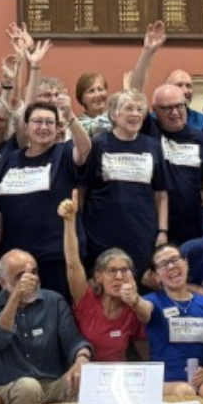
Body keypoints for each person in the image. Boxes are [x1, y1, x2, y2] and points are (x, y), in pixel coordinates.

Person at [0, 98, 90, 303]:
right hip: (16, 259)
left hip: (57, 256)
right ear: (26, 127)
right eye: (37, 121)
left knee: (58, 313)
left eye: (49, 122)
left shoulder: (64, 152)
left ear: (57, 128)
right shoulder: (10, 158)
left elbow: (84, 149)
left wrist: (70, 117)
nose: (43, 127)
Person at [0, 248, 93, 404]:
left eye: (34, 272)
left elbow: (74, 341)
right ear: (3, 282)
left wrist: (82, 358)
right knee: (29, 387)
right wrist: (16, 296)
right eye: (20, 276)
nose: (31, 280)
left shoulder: (54, 301)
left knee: (83, 381)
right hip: (11, 386)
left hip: (52, 384)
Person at [131, 243, 203, 404]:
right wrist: (135, 300)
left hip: (201, 376)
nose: (171, 266)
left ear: (185, 263)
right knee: (184, 391)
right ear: (156, 275)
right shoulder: (153, 300)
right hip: (165, 381)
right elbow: (143, 311)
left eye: (175, 260)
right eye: (163, 264)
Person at [83, 88, 168, 276]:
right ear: (114, 114)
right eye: (129, 108)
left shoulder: (153, 146)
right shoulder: (98, 144)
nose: (135, 114)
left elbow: (161, 193)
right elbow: (83, 188)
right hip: (101, 233)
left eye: (139, 109)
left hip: (141, 233)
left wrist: (162, 231)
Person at [58, 194, 144, 362]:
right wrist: (69, 221)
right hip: (85, 372)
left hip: (119, 374)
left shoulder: (133, 307)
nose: (119, 277)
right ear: (98, 276)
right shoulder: (85, 299)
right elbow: (72, 264)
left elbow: (143, 344)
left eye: (124, 270)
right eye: (112, 271)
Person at [145, 82, 203, 246]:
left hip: (191, 227)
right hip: (156, 228)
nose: (175, 112)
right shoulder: (150, 134)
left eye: (179, 106)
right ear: (154, 110)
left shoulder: (200, 139)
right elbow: (136, 92)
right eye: (167, 108)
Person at [74, 72, 112, 136]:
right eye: (91, 91)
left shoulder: (115, 117)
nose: (97, 95)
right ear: (82, 98)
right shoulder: (78, 125)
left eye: (100, 89)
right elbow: (99, 127)